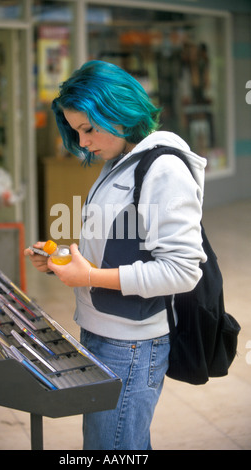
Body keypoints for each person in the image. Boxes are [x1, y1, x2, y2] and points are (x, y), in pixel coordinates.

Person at [25, 60, 207, 450]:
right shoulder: (119, 162)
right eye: (76, 133)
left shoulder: (164, 170)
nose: (83, 143)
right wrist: (62, 260)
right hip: (102, 330)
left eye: (88, 129)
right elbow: (116, 243)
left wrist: (89, 278)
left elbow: (182, 271)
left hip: (131, 343)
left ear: (120, 111)